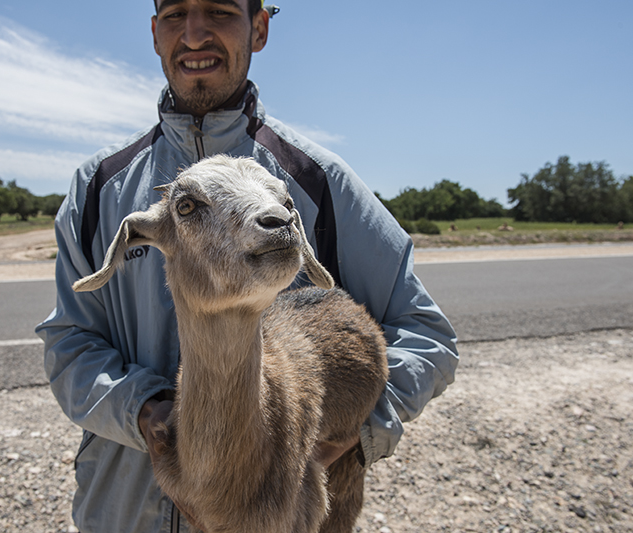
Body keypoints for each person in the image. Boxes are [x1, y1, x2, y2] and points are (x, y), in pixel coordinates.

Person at [35, 1, 459, 531]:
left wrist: (354, 429)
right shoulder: (100, 188)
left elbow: (425, 333)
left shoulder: (317, 181)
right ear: (154, 33)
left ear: (258, 28)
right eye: (175, 15)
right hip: (124, 512)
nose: (194, 34)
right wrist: (147, 411)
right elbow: (70, 343)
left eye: (218, 10)